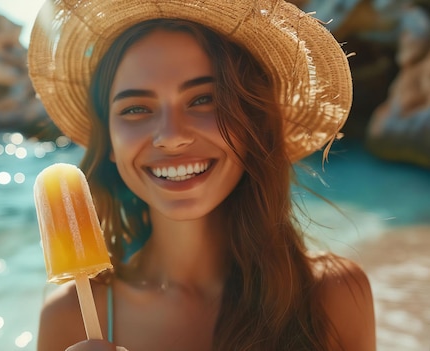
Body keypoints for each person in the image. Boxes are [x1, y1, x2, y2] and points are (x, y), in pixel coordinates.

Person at [28, 0, 376, 350]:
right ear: (111, 147)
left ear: (254, 125)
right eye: (135, 108)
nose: (172, 136)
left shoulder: (334, 295)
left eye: (204, 99)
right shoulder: (70, 318)